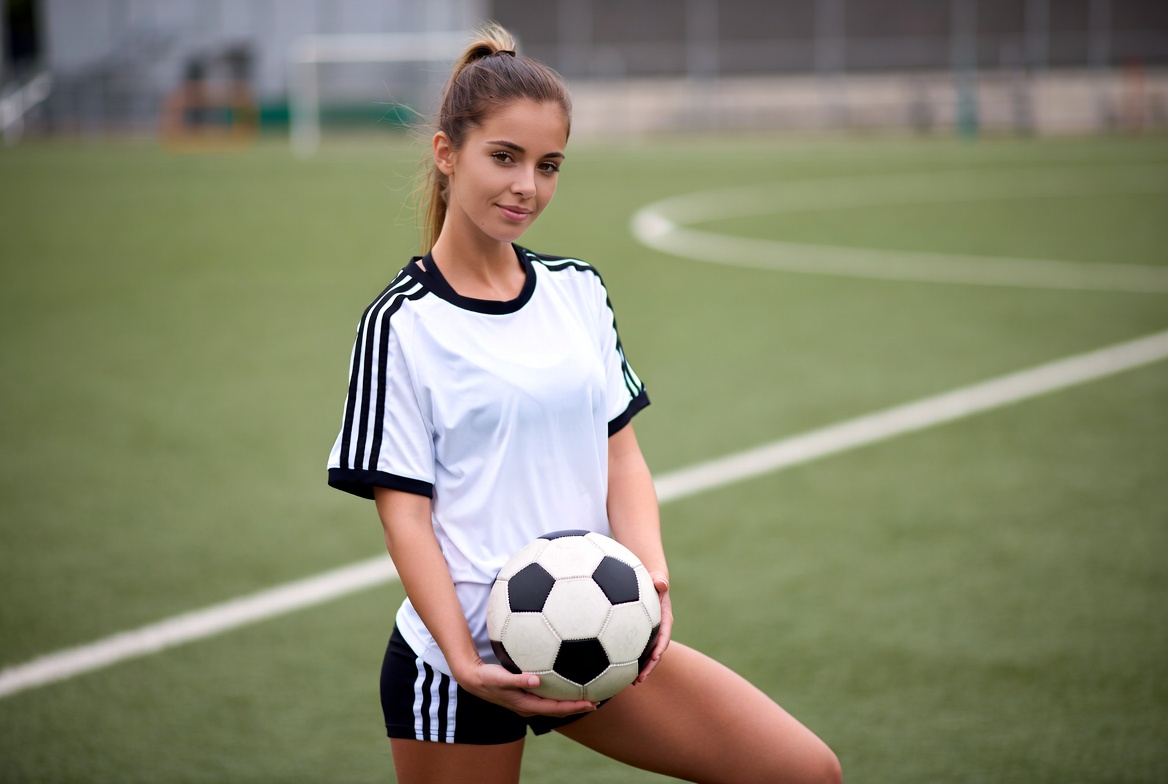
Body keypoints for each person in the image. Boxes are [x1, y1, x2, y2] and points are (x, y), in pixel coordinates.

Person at [327, 23, 842, 784]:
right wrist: (466, 661)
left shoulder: (577, 290)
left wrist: (652, 577)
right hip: (460, 665)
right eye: (503, 157)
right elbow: (403, 511)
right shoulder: (402, 324)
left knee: (804, 772)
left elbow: (620, 453)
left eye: (548, 165)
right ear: (447, 155)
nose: (526, 186)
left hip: (595, 628)